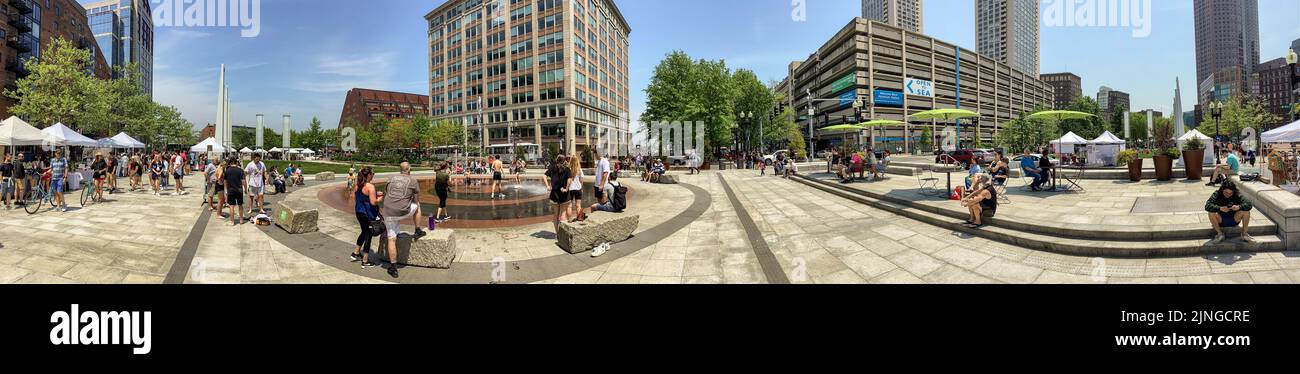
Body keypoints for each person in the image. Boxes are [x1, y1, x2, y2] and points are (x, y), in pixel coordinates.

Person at [381, 162, 425, 279]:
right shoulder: (413, 180)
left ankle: (393, 268)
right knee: (417, 206)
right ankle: (417, 230)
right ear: (409, 169)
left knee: (391, 239)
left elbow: (387, 193)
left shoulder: (390, 178)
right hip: (401, 212)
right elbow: (415, 200)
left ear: (400, 169)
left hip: (387, 212)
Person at [352, 167, 381, 269]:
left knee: (364, 232)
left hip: (358, 212)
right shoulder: (370, 187)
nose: (373, 175)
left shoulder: (357, 186)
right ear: (368, 175)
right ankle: (365, 260)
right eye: (373, 173)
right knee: (368, 235)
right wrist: (379, 199)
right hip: (367, 214)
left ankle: (356, 252)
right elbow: (373, 202)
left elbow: (355, 199)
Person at [544, 154, 571, 233]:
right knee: (563, 213)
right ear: (564, 161)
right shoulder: (567, 169)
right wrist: (566, 188)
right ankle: (563, 234)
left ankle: (557, 233)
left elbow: (544, 176)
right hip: (564, 194)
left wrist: (547, 186)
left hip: (554, 194)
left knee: (556, 215)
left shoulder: (552, 168)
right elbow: (569, 179)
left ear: (557, 160)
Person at [223, 157, 246, 225]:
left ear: (230, 163)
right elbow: (243, 181)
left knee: (231, 206)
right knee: (240, 205)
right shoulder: (240, 170)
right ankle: (241, 220)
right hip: (239, 190)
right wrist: (245, 189)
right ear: (236, 163)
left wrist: (226, 190)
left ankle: (232, 221)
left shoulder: (227, 171)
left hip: (231, 190)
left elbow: (225, 181)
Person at [566, 154, 585, 221]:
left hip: (570, 189)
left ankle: (569, 219)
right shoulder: (579, 170)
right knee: (578, 205)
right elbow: (581, 180)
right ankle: (579, 218)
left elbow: (566, 180)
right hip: (578, 189)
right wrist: (581, 188)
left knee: (569, 206)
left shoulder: (568, 169)